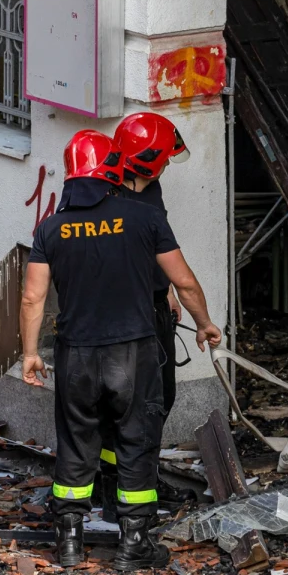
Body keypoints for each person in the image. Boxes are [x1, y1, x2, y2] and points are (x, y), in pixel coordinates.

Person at [20, 129, 222, 572]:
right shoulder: (143, 218)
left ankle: (69, 545)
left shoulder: (50, 228)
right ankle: (134, 546)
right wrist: (204, 324)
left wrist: (31, 353)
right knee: (136, 443)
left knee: (76, 444)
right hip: (133, 353)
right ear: (114, 170)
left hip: (76, 356)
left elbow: (33, 298)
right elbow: (182, 282)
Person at [97, 111, 192, 522]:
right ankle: (121, 488)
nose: (168, 164)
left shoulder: (148, 190)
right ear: (147, 160)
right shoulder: (105, 194)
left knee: (158, 399)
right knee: (131, 405)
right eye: (165, 158)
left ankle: (138, 477)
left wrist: (165, 289)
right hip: (124, 313)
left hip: (152, 306)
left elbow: (157, 244)